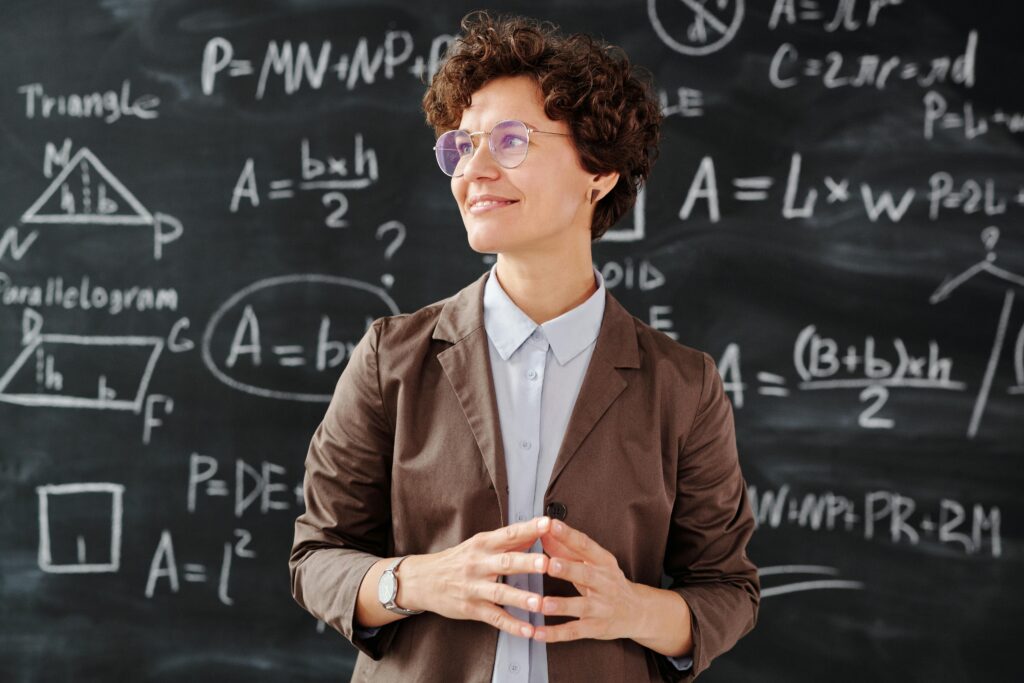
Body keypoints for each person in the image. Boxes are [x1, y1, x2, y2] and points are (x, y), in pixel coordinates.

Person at [289, 10, 759, 682]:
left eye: (510, 140)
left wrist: (631, 608)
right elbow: (316, 557)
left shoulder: (683, 385)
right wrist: (422, 580)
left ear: (599, 173)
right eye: (461, 144)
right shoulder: (391, 357)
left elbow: (728, 590)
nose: (473, 169)